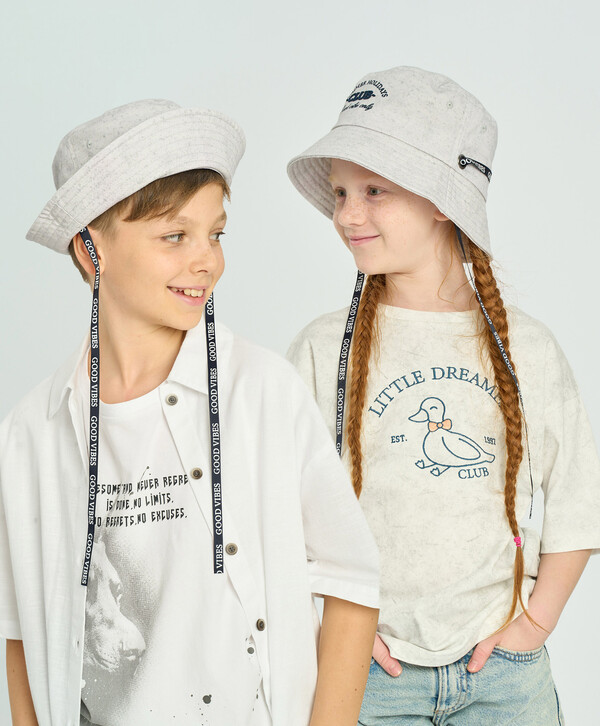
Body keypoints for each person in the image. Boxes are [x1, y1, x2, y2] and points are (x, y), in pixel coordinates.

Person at [0, 99, 379, 726]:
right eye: (175, 236)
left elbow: (351, 580)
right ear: (90, 250)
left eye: (216, 233)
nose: (208, 260)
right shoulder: (28, 436)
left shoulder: (262, 393)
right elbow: (19, 633)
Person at [286, 66, 600, 725]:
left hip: (504, 683)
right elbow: (279, 513)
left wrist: (535, 624)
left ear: (441, 200)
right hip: (369, 676)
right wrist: (336, 633)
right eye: (341, 191)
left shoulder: (527, 348)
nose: (347, 214)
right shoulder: (321, 348)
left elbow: (580, 497)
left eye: (374, 189)